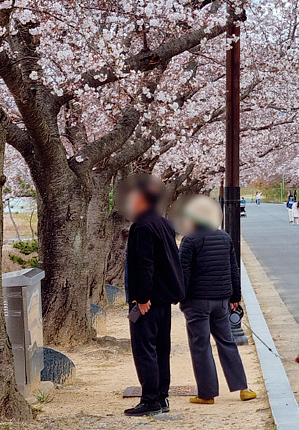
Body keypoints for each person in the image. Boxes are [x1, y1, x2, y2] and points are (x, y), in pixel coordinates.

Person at [177, 195, 257, 405]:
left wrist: (180, 298)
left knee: (201, 345)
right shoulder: (224, 237)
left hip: (197, 302)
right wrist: (235, 297)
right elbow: (233, 269)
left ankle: (207, 393)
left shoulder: (189, 240)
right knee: (227, 342)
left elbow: (182, 273)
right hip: (222, 301)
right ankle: (243, 388)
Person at [122, 175, 185, 416]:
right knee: (161, 349)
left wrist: (142, 298)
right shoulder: (163, 223)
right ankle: (161, 397)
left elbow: (145, 264)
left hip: (148, 299)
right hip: (164, 298)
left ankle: (150, 399)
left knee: (145, 349)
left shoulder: (143, 225)